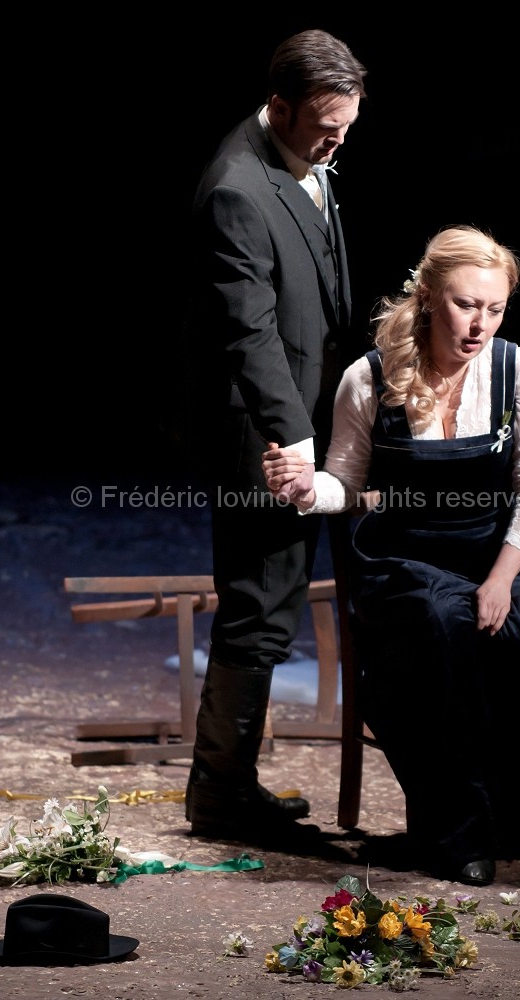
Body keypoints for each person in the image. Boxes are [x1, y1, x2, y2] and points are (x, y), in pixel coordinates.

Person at [262, 224, 520, 886]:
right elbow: (346, 483)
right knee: (440, 633)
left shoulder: (518, 370)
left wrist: (502, 579)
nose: (480, 324)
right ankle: (456, 830)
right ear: (428, 297)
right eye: (465, 305)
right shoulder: (369, 379)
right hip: (406, 559)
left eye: (495, 308)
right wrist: (307, 490)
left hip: (498, 550)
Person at [182, 30, 368, 842]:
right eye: (326, 128)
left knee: (275, 603)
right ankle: (220, 796)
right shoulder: (237, 188)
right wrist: (294, 440)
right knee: (258, 608)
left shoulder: (304, 154)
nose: (338, 143)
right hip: (263, 434)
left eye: (348, 127)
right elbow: (250, 333)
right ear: (280, 106)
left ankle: (230, 787)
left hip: (310, 417)